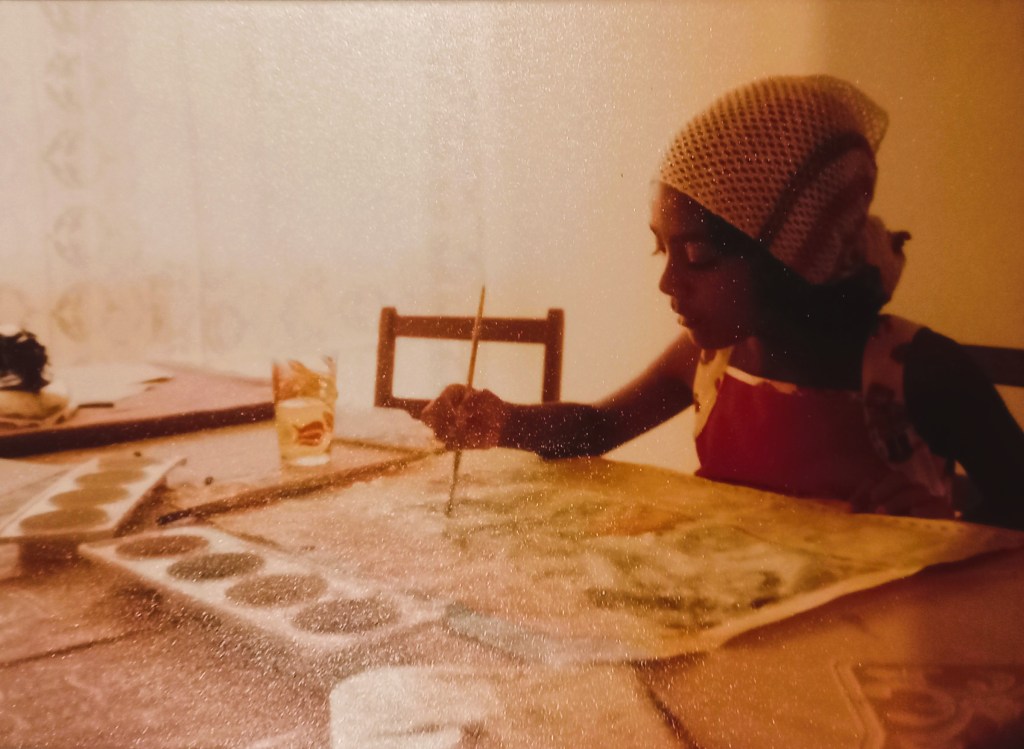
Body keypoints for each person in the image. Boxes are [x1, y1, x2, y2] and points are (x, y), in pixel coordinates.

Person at [420, 75, 1024, 530]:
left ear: (791, 255)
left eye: (700, 256)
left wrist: (951, 521)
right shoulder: (708, 360)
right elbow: (600, 425)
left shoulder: (917, 371)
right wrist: (503, 421)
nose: (668, 284)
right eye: (663, 251)